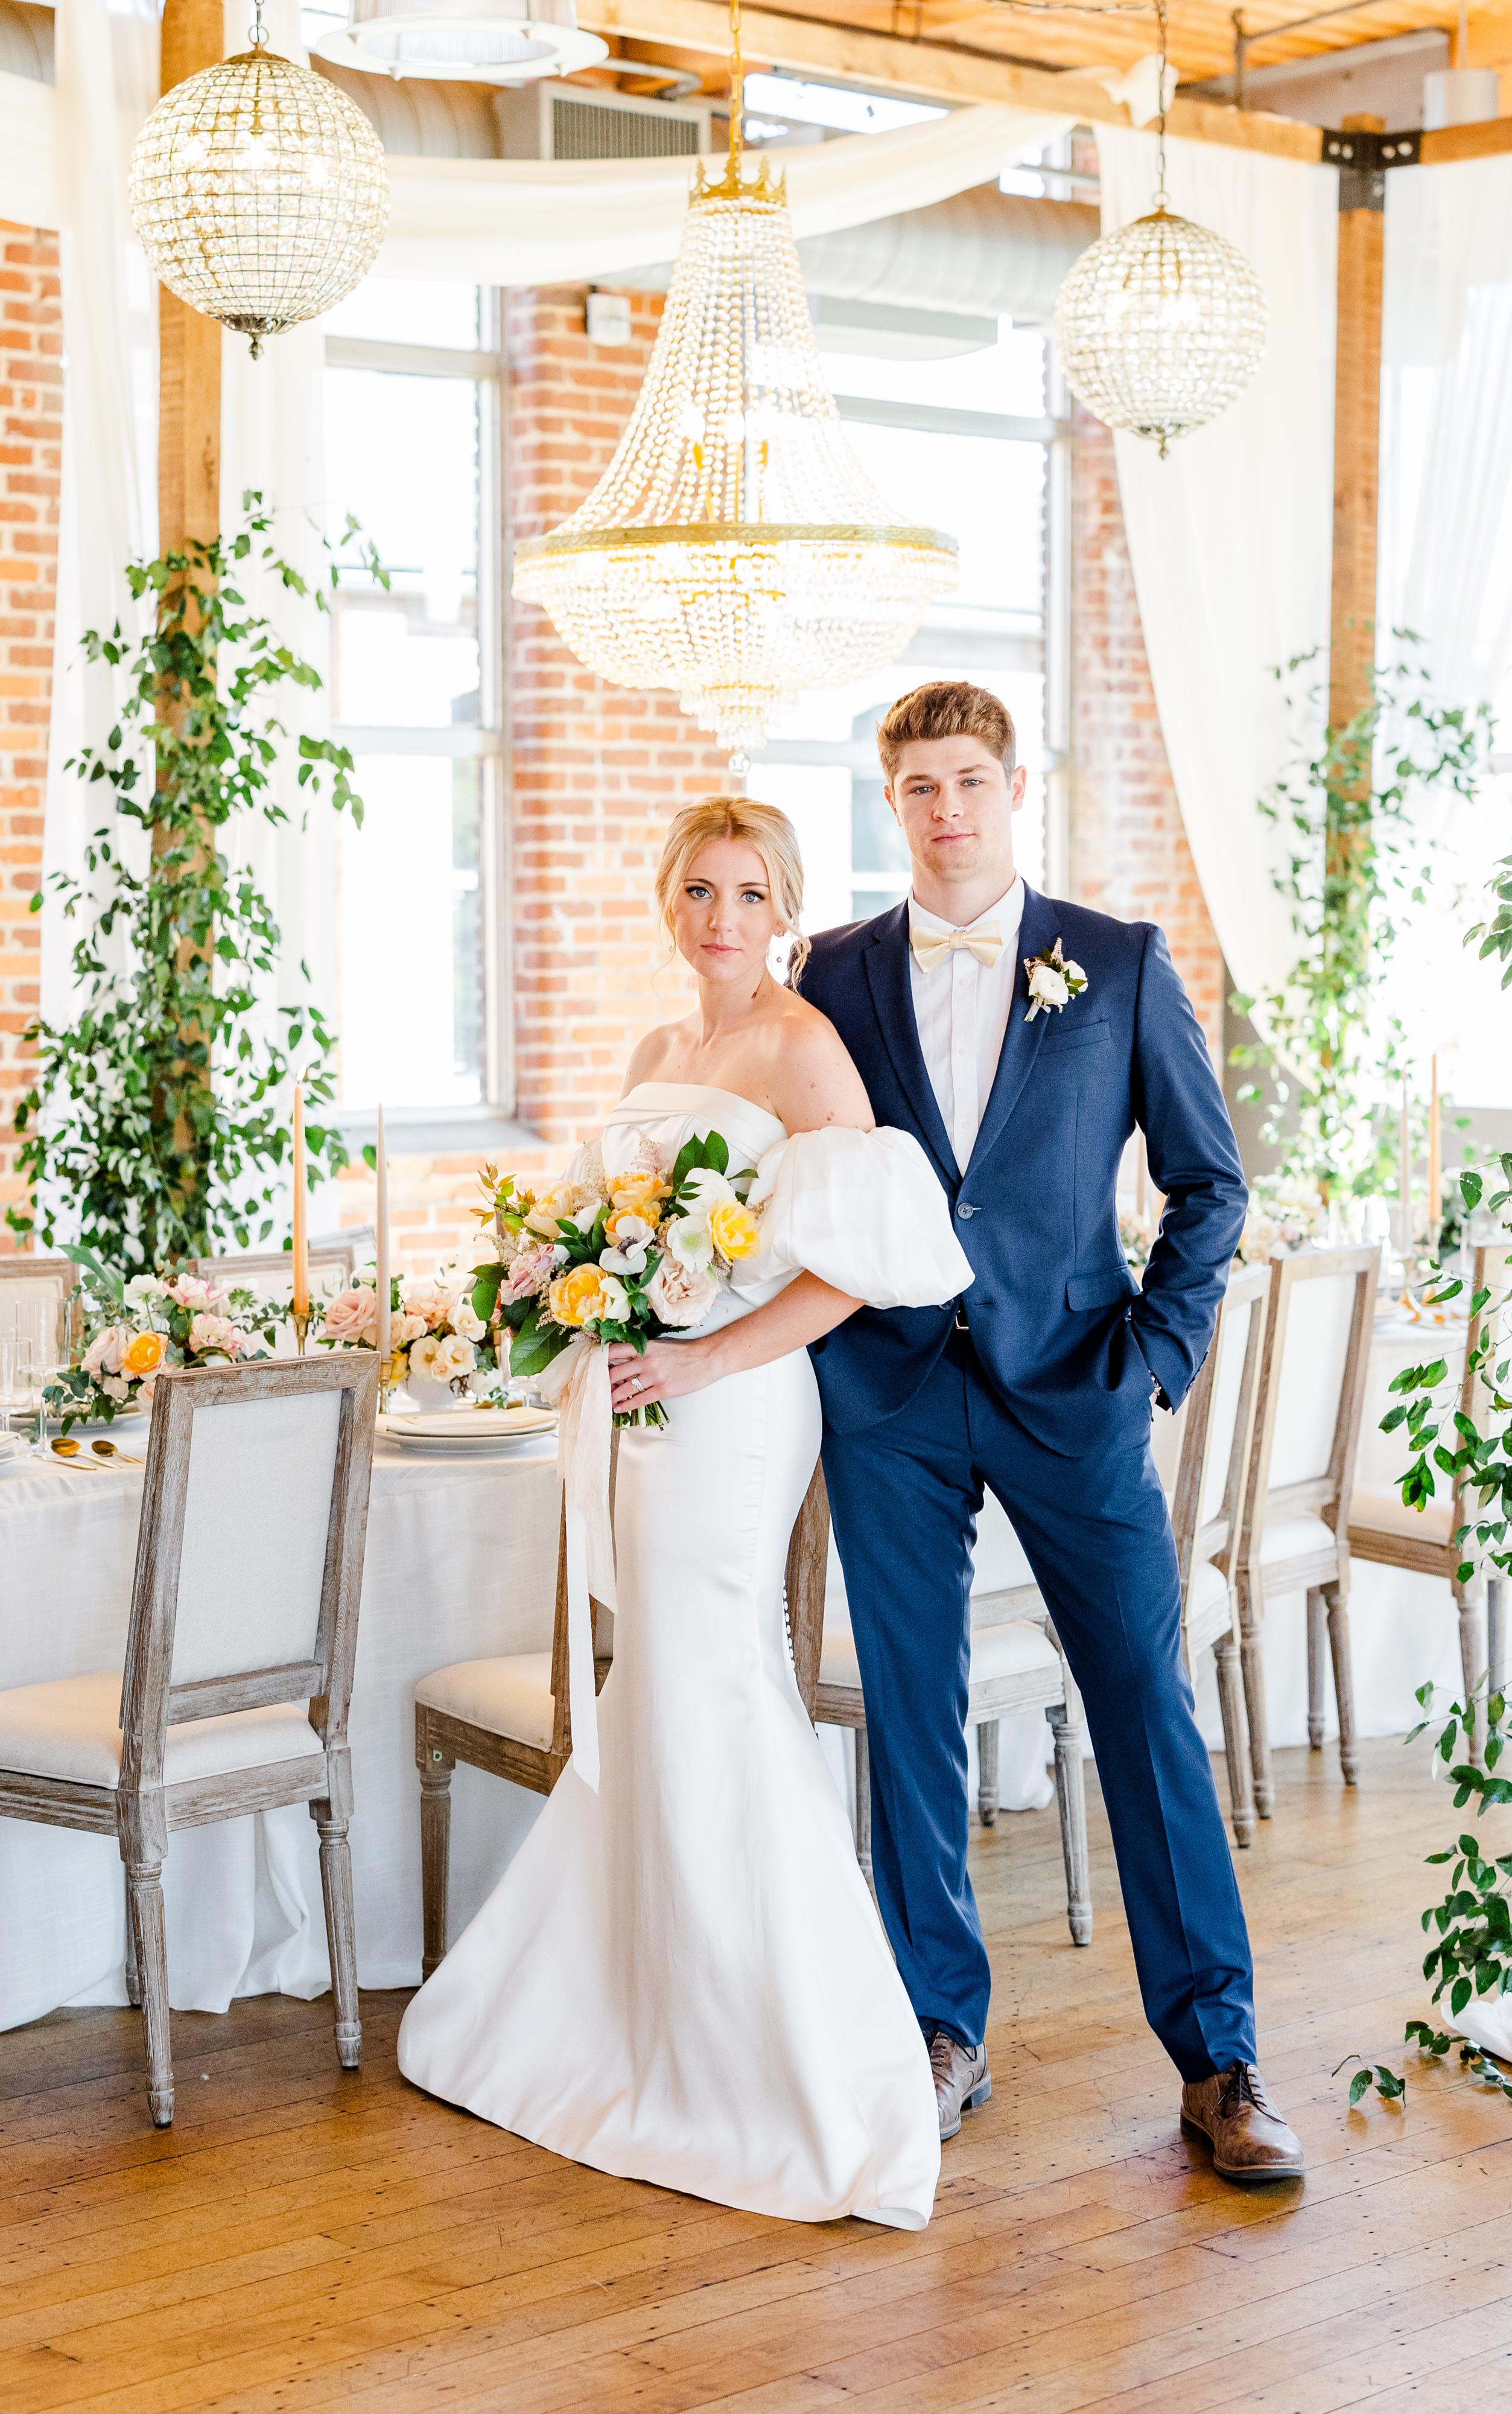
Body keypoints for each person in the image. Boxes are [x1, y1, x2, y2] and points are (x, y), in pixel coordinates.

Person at [397, 796, 973, 2229]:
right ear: (669, 903)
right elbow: (611, 1232)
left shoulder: (800, 1045)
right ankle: (639, 2016)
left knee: (719, 1672)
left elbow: (865, 1261)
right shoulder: (658, 1053)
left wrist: (711, 1350)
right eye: (699, 891)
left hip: (733, 1407)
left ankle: (788, 2057)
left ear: (782, 908)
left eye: (747, 892)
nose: (721, 917)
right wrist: (566, 1302)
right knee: (653, 1677)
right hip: (638, 1400)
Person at [798, 680, 1305, 2183]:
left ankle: (1218, 2058)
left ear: (1015, 787)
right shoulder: (827, 974)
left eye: (968, 781)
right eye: (916, 789)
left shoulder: (1117, 962)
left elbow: (1210, 1183)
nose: (944, 810)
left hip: (1075, 1382)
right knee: (907, 1706)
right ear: (889, 802)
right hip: (889, 1396)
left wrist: (1153, 1356)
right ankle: (935, 2028)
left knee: (1144, 1702)